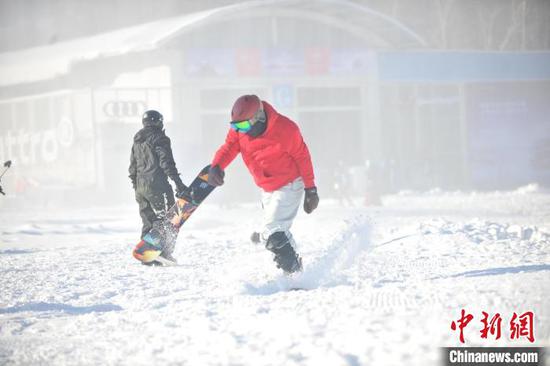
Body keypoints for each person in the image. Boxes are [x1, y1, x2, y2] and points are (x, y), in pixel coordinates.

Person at [207, 95, 319, 274]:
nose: (239, 130)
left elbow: (302, 157)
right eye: (235, 126)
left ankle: (296, 274)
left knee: (274, 232)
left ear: (258, 117)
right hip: (266, 188)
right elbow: (229, 147)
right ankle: (283, 253)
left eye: (243, 125)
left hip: (289, 184)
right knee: (273, 233)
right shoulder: (240, 129)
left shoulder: (286, 129)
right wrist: (217, 165)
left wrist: (310, 189)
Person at [128, 110, 187, 264]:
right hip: (158, 186)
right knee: (168, 219)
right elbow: (166, 162)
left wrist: (138, 187)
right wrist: (178, 184)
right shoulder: (160, 138)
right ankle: (164, 253)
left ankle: (146, 255)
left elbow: (132, 168)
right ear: (159, 122)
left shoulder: (137, 141)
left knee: (149, 221)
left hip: (141, 188)